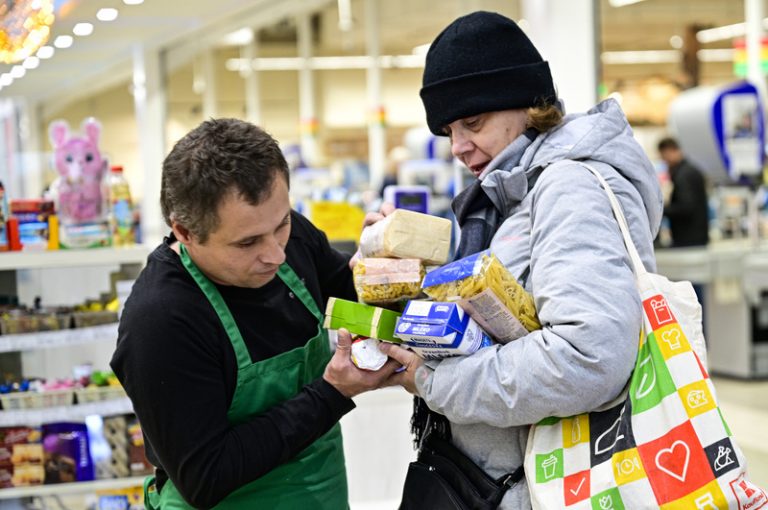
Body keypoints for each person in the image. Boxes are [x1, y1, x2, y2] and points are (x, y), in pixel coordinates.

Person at [377, 11, 663, 509]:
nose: (458, 147)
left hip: (543, 486)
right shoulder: (512, 194)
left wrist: (435, 383)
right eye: (449, 130)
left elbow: (588, 357)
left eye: (473, 122)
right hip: (499, 478)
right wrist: (414, 269)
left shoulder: (568, 187)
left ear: (530, 106)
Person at [110, 118, 399, 509]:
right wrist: (332, 393)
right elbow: (205, 476)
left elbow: (353, 297)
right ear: (185, 232)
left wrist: (383, 270)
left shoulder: (291, 238)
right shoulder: (161, 321)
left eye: (281, 224)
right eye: (247, 243)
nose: (277, 254)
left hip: (320, 494)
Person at [657, 136, 710, 247]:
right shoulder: (689, 170)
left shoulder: (683, 175)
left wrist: (661, 210)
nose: (664, 161)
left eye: (664, 156)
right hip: (697, 235)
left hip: (689, 238)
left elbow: (686, 207)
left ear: (670, 151)